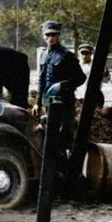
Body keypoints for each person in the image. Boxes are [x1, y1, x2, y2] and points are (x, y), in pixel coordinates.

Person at [34, 21, 86, 167]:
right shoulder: (43, 55)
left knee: (64, 137)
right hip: (49, 102)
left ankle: (65, 169)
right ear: (44, 36)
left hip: (65, 102)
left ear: (59, 36)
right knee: (50, 135)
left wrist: (63, 85)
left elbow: (81, 78)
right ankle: (52, 167)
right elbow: (42, 79)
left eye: (54, 35)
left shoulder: (66, 56)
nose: (51, 38)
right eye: (48, 35)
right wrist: (38, 103)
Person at [77, 43, 107, 107]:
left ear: (90, 54)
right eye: (82, 53)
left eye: (86, 53)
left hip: (93, 96)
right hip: (79, 96)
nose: (84, 56)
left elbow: (106, 77)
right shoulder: (76, 65)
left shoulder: (96, 65)